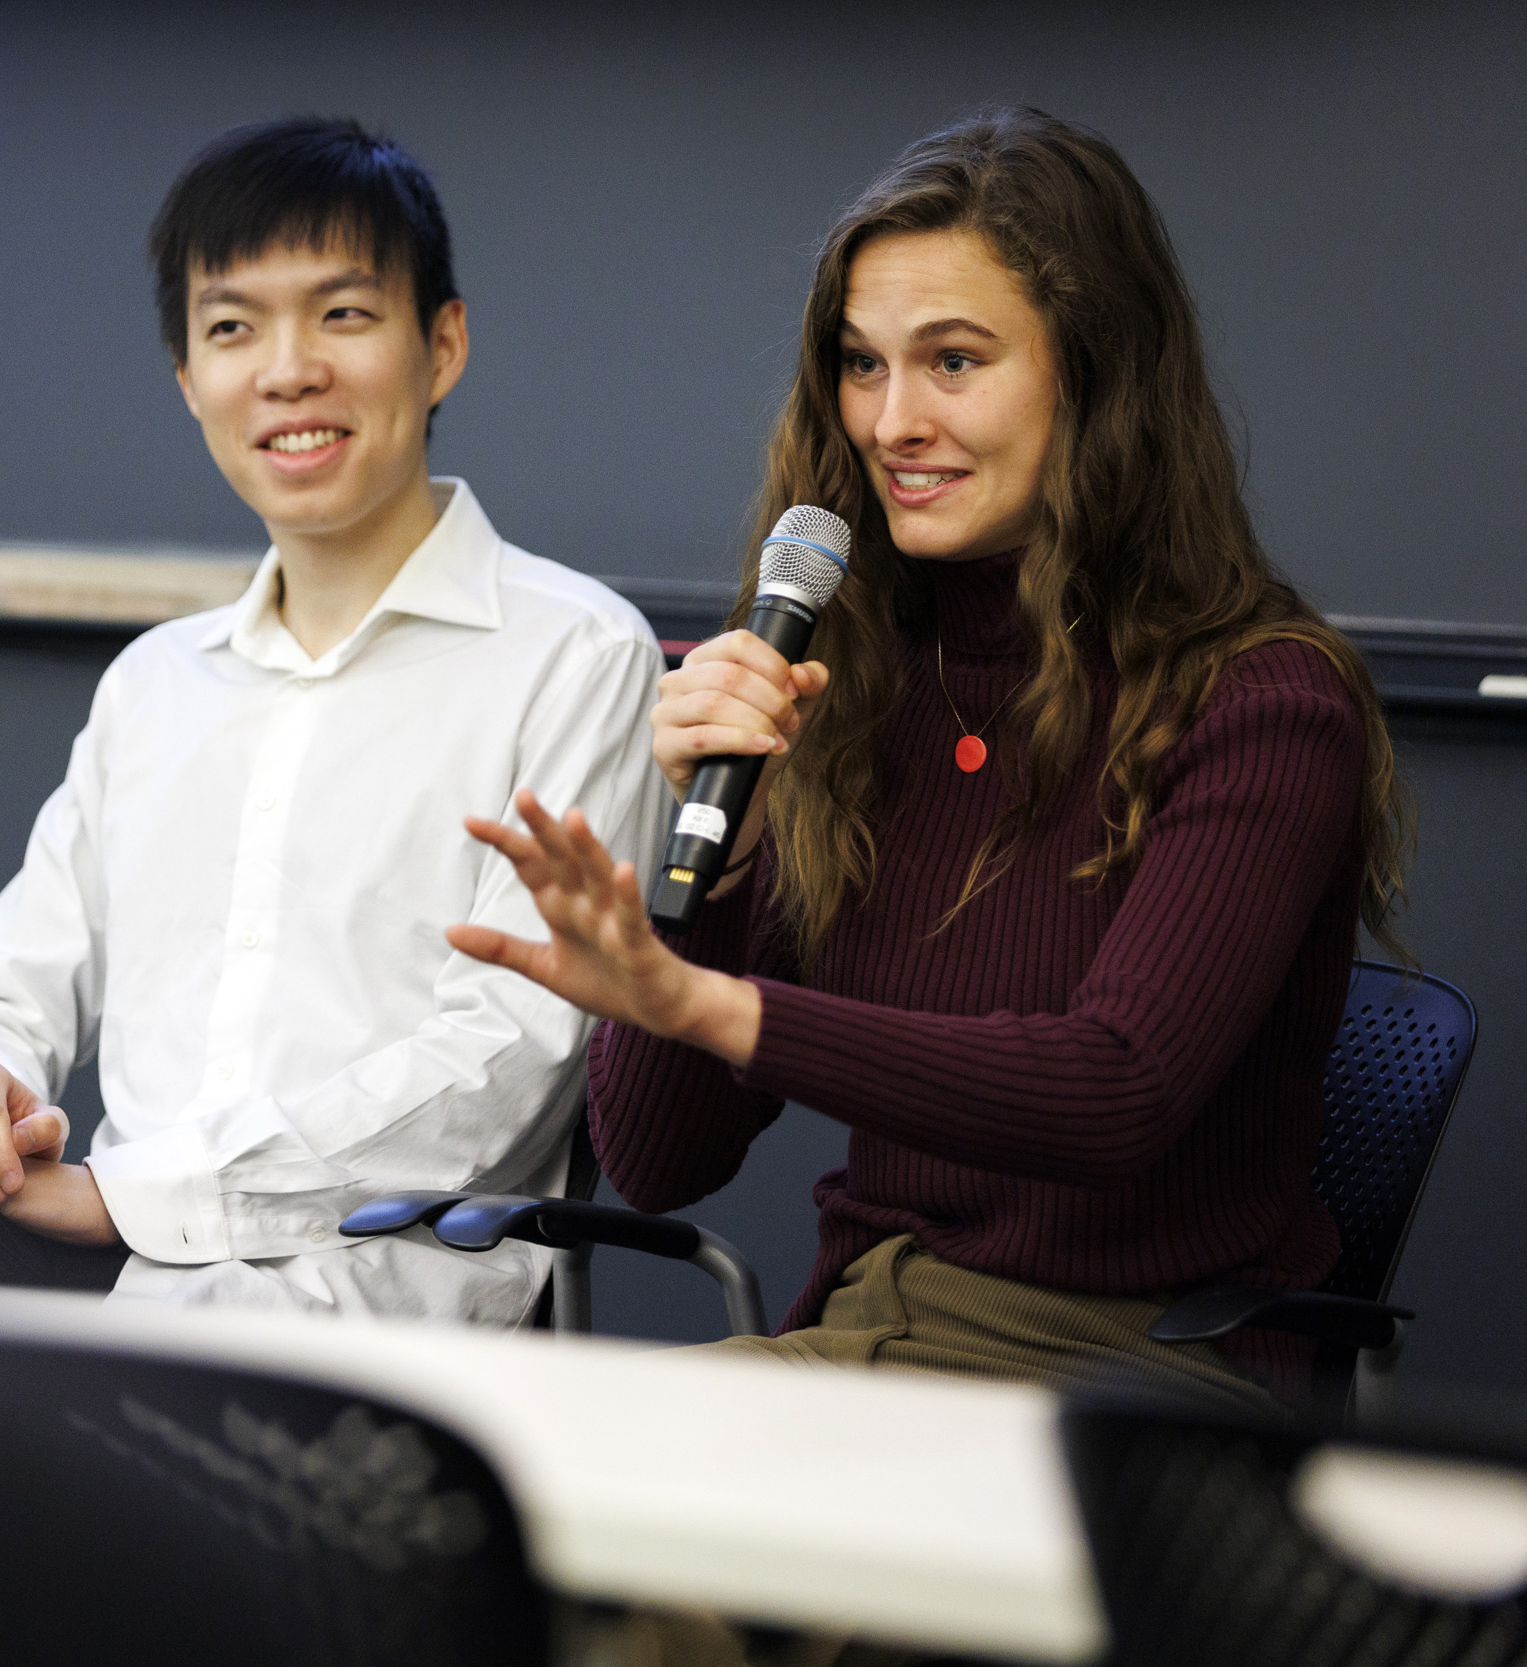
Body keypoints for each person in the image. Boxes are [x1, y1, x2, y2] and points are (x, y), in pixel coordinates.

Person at [451, 106, 1408, 1409]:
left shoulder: (1264, 699)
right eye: (861, 363)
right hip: (864, 1338)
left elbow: (1114, 1089)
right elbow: (665, 1158)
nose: (892, 419)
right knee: (449, 1527)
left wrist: (708, 1008)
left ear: (1097, 371)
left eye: (954, 361)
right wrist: (706, 861)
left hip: (1139, 1381)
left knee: (603, 1582)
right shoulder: (850, 684)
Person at [0, 117, 667, 1322]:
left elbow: (506, 1063)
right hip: (89, 1248)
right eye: (231, 327)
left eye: (342, 314)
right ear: (186, 380)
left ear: (444, 343)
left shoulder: (575, 651)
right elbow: (8, 982)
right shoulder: (158, 683)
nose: (285, 369)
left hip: (357, 1280)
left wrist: (137, 1197)